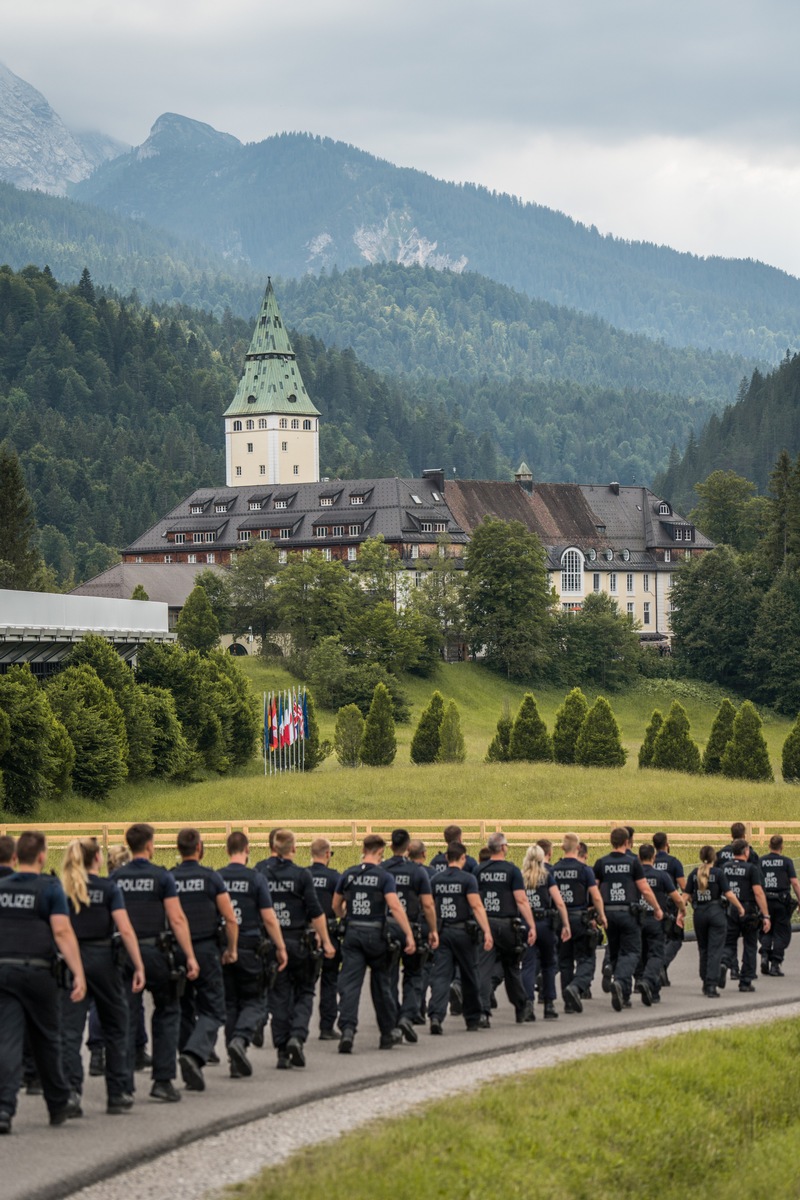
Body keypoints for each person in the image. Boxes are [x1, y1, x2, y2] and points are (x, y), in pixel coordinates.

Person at [0, 830, 87, 1135]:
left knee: (7, 1041)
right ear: (41, 856)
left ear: (15, 857)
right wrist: (78, 972)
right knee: (47, 1039)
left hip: (4, 972)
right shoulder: (50, 888)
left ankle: (3, 1108)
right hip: (39, 973)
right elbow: (62, 932)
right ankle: (58, 1103)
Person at [113, 823, 199, 1103]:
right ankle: (162, 1080)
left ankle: (122, 1084)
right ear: (149, 845)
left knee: (124, 1016)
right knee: (168, 1011)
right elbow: (176, 918)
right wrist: (189, 955)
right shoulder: (161, 876)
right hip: (157, 951)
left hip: (125, 954)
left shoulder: (116, 877)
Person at [60, 837, 146, 1115]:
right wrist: (139, 965)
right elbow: (126, 929)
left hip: (73, 959)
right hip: (105, 959)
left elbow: (57, 930)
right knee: (117, 1026)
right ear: (98, 858)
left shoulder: (65, 889)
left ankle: (71, 1093)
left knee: (70, 1032)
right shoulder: (109, 888)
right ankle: (118, 1093)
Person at [255, 829, 335, 1068]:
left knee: (279, 996)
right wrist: (326, 941)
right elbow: (316, 912)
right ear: (294, 849)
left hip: (271, 942)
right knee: (305, 991)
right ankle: (297, 1036)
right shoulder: (302, 875)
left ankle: (281, 1050)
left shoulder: (261, 874)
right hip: (298, 941)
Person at [333, 834, 415, 1053]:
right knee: (382, 985)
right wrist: (408, 934)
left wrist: (345, 915)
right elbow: (395, 907)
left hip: (352, 933)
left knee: (350, 986)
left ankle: (348, 1030)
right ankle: (387, 1033)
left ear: (363, 848)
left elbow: (336, 905)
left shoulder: (349, 874)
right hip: (376, 935)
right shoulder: (383, 877)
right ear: (380, 853)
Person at [170, 828, 238, 1092]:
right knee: (214, 1009)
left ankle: (190, 1061)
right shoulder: (211, 878)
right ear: (199, 848)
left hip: (176, 950)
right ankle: (195, 1054)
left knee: (184, 1008)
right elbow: (230, 918)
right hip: (206, 948)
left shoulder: (170, 878)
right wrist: (231, 949)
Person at [219, 831, 288, 1078]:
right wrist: (280, 946)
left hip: (225, 948)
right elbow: (269, 917)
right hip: (250, 945)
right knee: (256, 1000)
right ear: (247, 850)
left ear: (227, 850)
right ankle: (240, 1039)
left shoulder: (218, 877)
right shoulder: (255, 879)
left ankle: (234, 1060)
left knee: (230, 1004)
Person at [594, 828, 662, 1012]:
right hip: (628, 913)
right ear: (627, 842)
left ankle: (623, 995)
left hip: (608, 913)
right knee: (632, 952)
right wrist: (656, 908)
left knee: (615, 952)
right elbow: (645, 889)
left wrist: (596, 913)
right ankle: (621, 982)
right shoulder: (633, 862)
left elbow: (594, 890)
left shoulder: (601, 863)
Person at [428, 841, 493, 1034]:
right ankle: (472, 1017)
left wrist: (432, 930)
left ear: (447, 858)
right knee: (470, 975)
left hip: (443, 931)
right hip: (464, 932)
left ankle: (436, 1016)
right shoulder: (468, 879)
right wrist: (487, 931)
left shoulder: (436, 879)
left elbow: (430, 907)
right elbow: (476, 906)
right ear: (463, 858)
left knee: (441, 976)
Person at [382, 829, 438, 1042]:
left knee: (389, 976)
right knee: (414, 974)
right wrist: (433, 929)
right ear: (407, 848)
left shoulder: (382, 869)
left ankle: (394, 1016)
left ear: (390, 846)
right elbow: (428, 904)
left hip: (387, 928)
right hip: (412, 928)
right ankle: (408, 1015)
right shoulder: (418, 872)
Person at [475, 831, 536, 1025]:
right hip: (507, 924)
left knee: (483, 969)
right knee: (511, 968)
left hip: (486, 923)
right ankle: (521, 1007)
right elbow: (521, 899)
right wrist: (531, 925)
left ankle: (483, 1012)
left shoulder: (479, 870)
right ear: (502, 848)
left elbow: (474, 900)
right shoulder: (511, 870)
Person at [551, 833, 606, 1013]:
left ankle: (568, 1003)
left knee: (565, 960)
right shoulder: (584, 870)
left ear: (562, 848)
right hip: (579, 917)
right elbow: (596, 896)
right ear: (578, 848)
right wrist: (601, 915)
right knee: (586, 958)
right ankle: (575, 987)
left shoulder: (554, 869)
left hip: (560, 918)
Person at [686, 846, 745, 997]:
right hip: (716, 913)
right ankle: (711, 984)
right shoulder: (718, 873)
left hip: (699, 913)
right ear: (714, 858)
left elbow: (685, 896)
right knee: (715, 949)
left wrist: (681, 912)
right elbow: (729, 894)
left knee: (703, 949)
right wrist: (739, 907)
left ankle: (705, 979)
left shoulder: (694, 873)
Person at [521, 843, 570, 1020]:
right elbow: (559, 902)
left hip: (527, 923)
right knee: (549, 964)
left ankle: (527, 1004)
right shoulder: (547, 876)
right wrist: (565, 924)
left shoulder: (521, 877)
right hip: (545, 923)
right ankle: (549, 1004)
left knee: (528, 964)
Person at [636, 843, 685, 1006]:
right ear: (653, 857)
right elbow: (677, 897)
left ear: (638, 857)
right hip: (656, 919)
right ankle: (648, 981)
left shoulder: (633, 875)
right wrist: (682, 910)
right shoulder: (661, 875)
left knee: (642, 953)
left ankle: (652, 990)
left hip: (637, 920)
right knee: (656, 954)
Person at [720, 839, 770, 993]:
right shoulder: (751, 869)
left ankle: (723, 963)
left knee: (729, 942)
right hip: (748, 909)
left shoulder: (724, 867)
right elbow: (758, 892)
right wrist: (766, 915)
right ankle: (745, 981)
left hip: (730, 909)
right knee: (750, 944)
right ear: (746, 851)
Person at [309, 837, 341, 1040]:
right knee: (330, 980)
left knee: (304, 982)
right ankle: (326, 1027)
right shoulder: (334, 877)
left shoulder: (303, 875)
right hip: (329, 929)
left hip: (307, 931)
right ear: (327, 854)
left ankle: (295, 1023)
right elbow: (340, 904)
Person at [758, 834, 800, 976]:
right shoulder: (786, 862)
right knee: (781, 933)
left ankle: (764, 954)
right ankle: (775, 964)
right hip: (781, 902)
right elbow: (794, 883)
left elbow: (756, 883)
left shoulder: (761, 861)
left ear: (769, 846)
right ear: (782, 846)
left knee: (765, 929)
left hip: (765, 901)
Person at [652, 833, 687, 985]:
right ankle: (661, 964)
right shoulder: (674, 862)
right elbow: (684, 886)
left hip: (651, 903)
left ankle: (661, 973)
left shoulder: (649, 861)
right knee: (675, 938)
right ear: (667, 844)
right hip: (669, 903)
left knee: (658, 938)